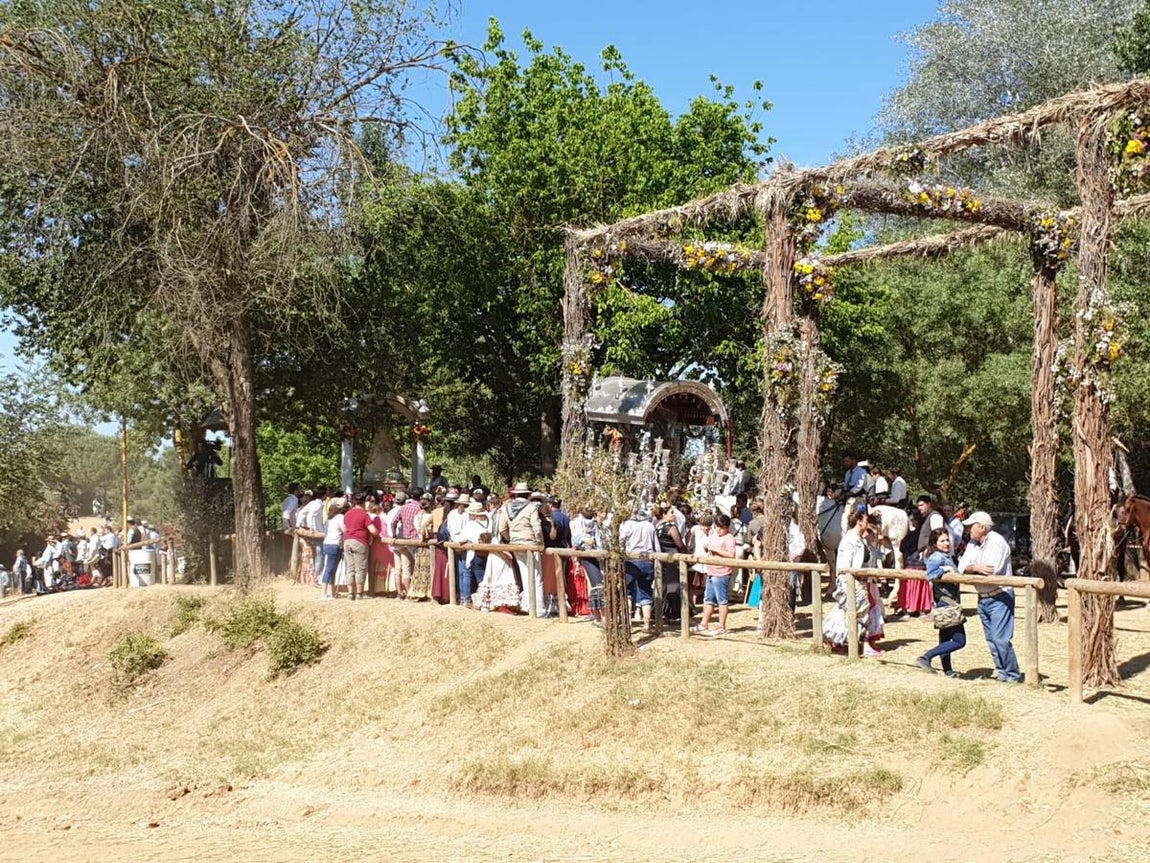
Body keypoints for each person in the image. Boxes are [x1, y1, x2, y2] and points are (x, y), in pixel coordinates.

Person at [958, 511, 1021, 683]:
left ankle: (1013, 675)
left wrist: (973, 567)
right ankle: (1002, 673)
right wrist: (976, 567)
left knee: (1001, 639)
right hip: (983, 597)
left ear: (982, 527)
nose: (968, 530)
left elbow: (991, 569)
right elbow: (962, 566)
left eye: (971, 526)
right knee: (992, 640)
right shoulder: (973, 543)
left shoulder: (997, 542)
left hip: (1000, 595)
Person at [824, 509, 884, 656]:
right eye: (865, 520)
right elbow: (844, 566)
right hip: (851, 582)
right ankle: (859, 644)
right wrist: (852, 579)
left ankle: (849, 641)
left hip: (861, 582)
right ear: (859, 522)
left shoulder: (860, 540)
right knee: (859, 612)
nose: (867, 523)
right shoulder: (849, 540)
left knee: (859, 612)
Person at [917, 528, 966, 677]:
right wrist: (945, 569)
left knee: (945, 638)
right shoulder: (936, 557)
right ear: (934, 543)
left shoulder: (946, 556)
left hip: (947, 601)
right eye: (942, 541)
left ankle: (948, 670)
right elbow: (931, 574)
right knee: (959, 640)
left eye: (947, 540)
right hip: (946, 602)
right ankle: (926, 657)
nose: (946, 543)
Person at [501, 483, 544, 616]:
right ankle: (538, 609)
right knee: (536, 577)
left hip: (516, 544)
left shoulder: (506, 508)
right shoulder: (531, 508)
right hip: (531, 544)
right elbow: (537, 529)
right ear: (527, 494)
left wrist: (511, 538)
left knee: (525, 575)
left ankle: (527, 605)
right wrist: (540, 543)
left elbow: (502, 529)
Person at [694, 512, 737, 636]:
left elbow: (731, 555)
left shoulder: (729, 538)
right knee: (709, 600)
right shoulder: (714, 536)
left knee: (722, 600)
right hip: (711, 571)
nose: (718, 529)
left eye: (721, 527)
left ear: (726, 527)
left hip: (722, 572)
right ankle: (704, 623)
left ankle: (721, 625)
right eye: (717, 526)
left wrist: (714, 550)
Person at [619, 505, 659, 633]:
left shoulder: (626, 525)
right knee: (646, 591)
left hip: (630, 561)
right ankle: (647, 624)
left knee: (628, 592)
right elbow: (656, 546)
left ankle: (628, 623)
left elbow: (621, 544)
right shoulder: (650, 526)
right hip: (647, 561)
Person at [341, 493, 377, 601]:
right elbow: (373, 530)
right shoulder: (364, 515)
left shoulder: (347, 514)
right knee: (360, 569)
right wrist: (378, 533)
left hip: (347, 541)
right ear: (363, 502)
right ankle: (359, 593)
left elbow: (344, 528)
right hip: (360, 541)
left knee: (350, 569)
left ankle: (350, 593)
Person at [319, 497, 346, 601]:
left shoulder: (328, 519)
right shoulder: (340, 517)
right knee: (330, 568)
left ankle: (330, 592)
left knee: (332, 569)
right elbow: (344, 530)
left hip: (326, 543)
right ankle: (323, 593)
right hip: (335, 544)